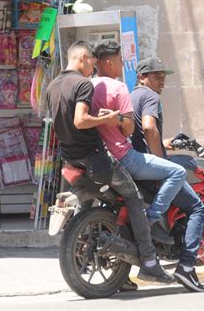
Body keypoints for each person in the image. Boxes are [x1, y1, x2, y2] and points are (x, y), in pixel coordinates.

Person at [45, 40, 173, 285]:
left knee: (107, 204)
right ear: (82, 59)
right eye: (91, 62)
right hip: (96, 157)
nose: (92, 68)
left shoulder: (53, 85)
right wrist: (110, 118)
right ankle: (149, 261)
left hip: (71, 158)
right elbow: (81, 121)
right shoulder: (82, 83)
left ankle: (117, 273)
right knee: (134, 198)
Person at [130, 57, 204, 292]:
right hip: (150, 169)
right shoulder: (150, 97)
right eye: (156, 76)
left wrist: (167, 144)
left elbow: (141, 137)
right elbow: (148, 128)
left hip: (135, 164)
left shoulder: (131, 96)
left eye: (163, 77)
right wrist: (161, 161)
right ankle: (186, 267)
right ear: (142, 77)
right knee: (197, 208)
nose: (161, 81)